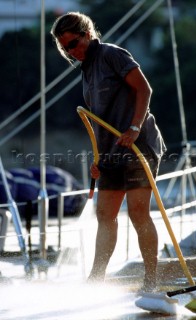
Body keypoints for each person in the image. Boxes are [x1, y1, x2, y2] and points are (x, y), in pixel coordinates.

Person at [51, 11, 166, 292]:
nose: (72, 51)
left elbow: (144, 89)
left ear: (88, 34)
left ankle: (151, 281)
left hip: (139, 145)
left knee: (139, 212)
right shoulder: (86, 69)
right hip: (111, 152)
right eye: (66, 48)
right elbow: (100, 121)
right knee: (105, 215)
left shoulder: (113, 54)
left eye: (74, 43)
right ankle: (96, 279)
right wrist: (98, 160)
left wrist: (135, 127)